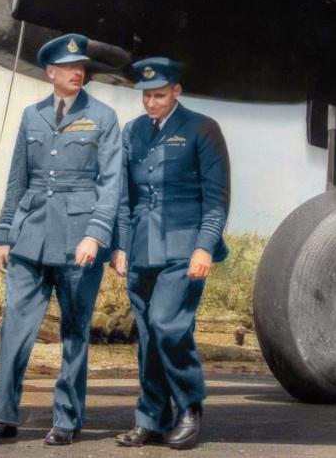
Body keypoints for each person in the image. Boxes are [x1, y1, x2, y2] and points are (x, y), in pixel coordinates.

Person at [0, 34, 123, 447]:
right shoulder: (32, 116)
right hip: (30, 237)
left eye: (81, 67)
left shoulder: (104, 117)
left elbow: (111, 184)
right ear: (50, 72)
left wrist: (96, 235)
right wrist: (5, 234)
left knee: (74, 333)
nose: (78, 72)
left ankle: (66, 420)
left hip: (79, 240)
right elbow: (17, 179)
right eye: (69, 67)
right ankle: (3, 416)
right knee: (15, 329)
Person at [112, 58, 230, 451]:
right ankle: (151, 419)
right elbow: (125, 197)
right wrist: (121, 246)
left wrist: (204, 247)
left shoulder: (202, 128)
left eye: (160, 95)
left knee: (167, 325)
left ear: (177, 91)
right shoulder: (133, 131)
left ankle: (190, 407)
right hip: (141, 248)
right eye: (146, 96)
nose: (151, 103)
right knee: (147, 337)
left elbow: (216, 199)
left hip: (184, 249)